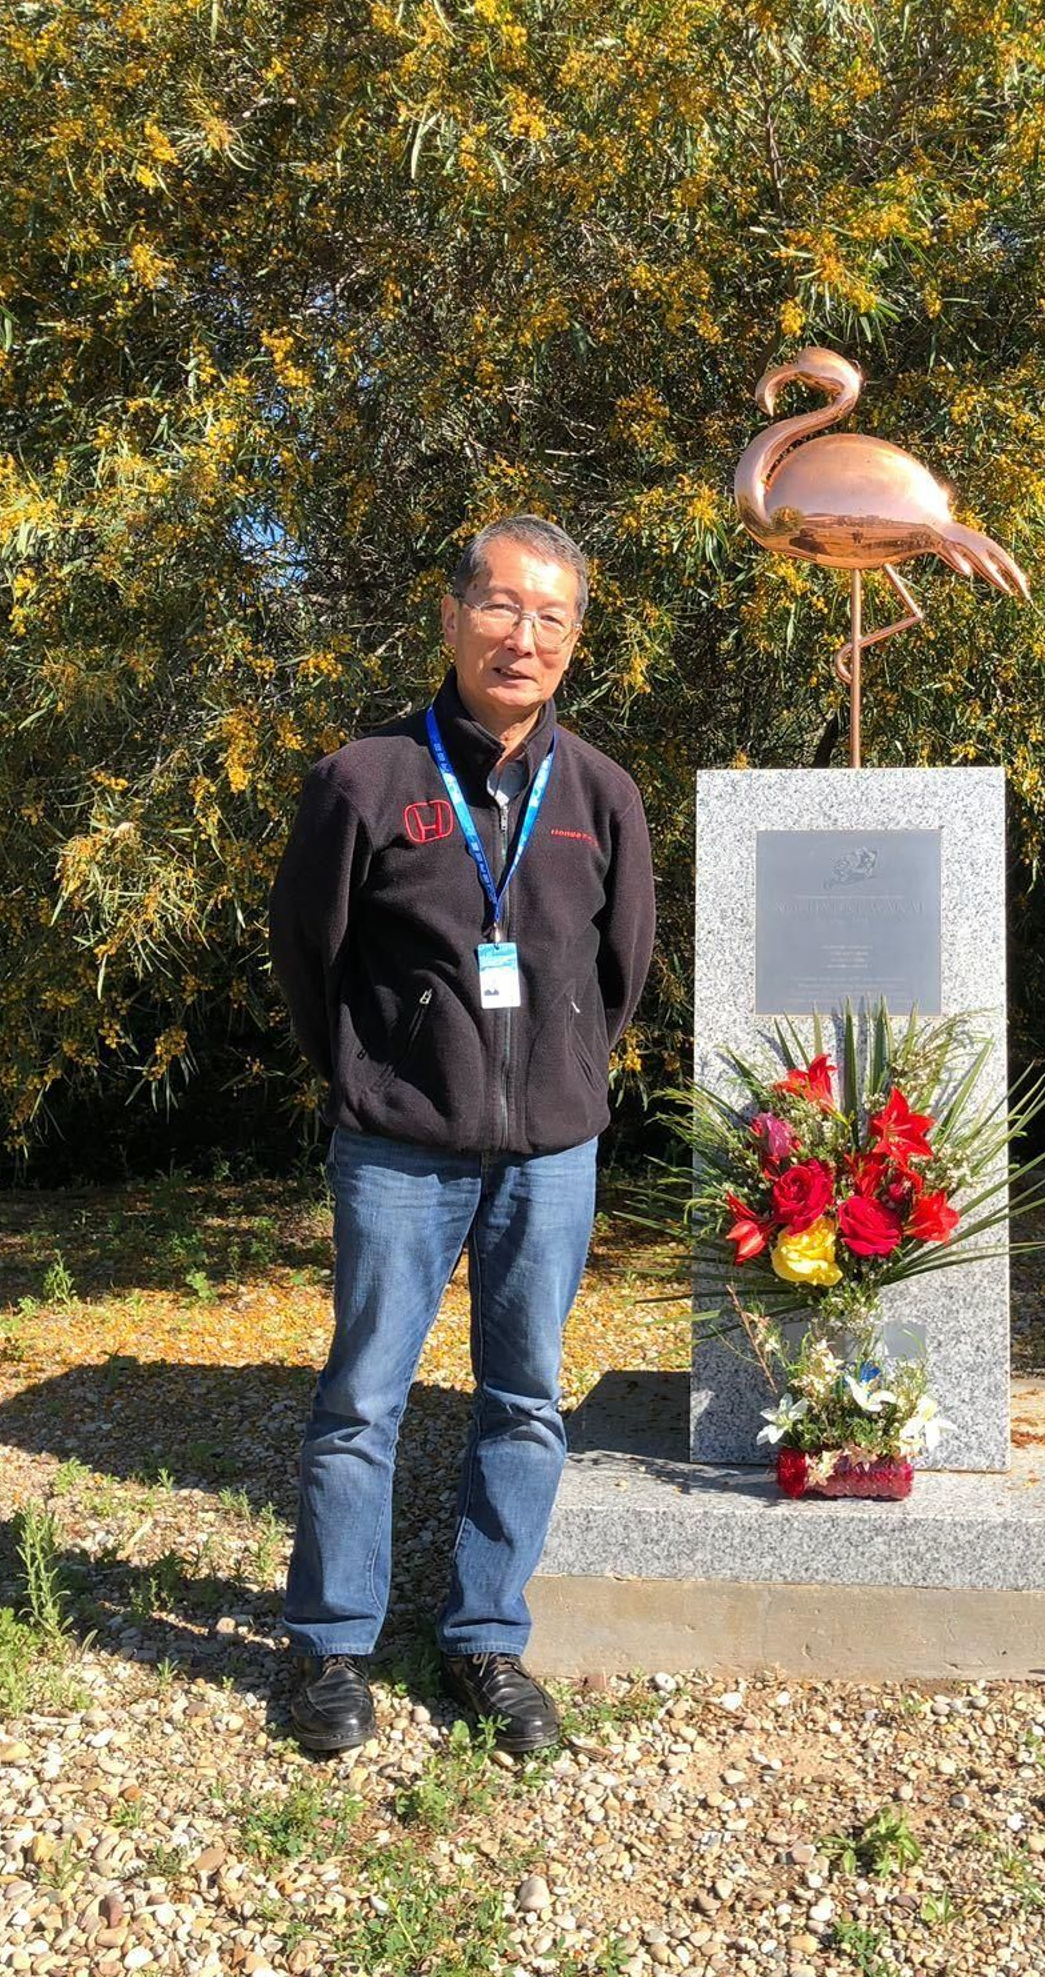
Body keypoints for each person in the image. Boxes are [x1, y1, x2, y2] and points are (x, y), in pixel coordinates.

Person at [269, 514, 655, 1755]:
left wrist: (559, 1090)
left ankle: (486, 1641)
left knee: (525, 1399)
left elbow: (624, 966)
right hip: (397, 1151)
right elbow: (306, 959)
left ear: (575, 642)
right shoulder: (363, 781)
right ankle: (332, 1648)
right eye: (500, 607)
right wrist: (377, 1082)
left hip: (550, 1154)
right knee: (361, 1402)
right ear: (450, 616)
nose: (522, 637)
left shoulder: (599, 794)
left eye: (551, 617)